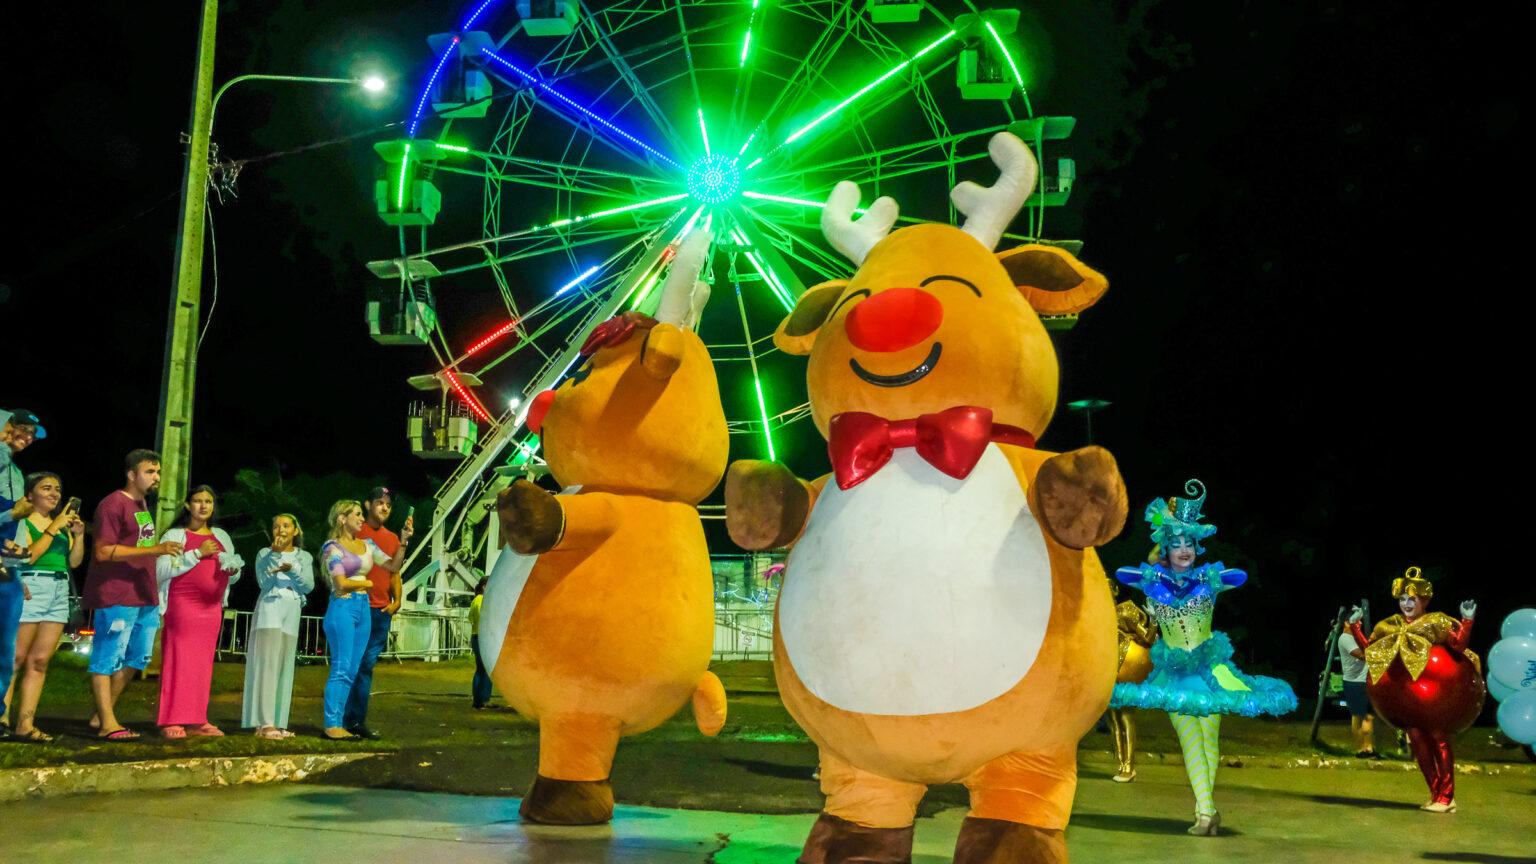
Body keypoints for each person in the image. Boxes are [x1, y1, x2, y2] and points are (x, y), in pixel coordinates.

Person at [1110, 480, 1297, 836]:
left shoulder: (1208, 580)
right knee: (1189, 739)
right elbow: (1122, 574)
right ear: (1166, 548)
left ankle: (1204, 811)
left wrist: (1207, 576)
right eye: (1175, 544)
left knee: (1209, 740)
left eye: (1189, 543)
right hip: (1175, 675)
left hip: (1209, 671)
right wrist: (1159, 551)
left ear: (1197, 548)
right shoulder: (1153, 581)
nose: (1183, 549)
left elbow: (1238, 576)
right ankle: (1206, 811)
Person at [1348, 569, 1481, 813]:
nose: (1407, 604)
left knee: (1438, 738)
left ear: (1424, 601)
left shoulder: (1436, 622)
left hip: (1438, 699)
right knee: (1418, 741)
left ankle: (1447, 796)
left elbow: (1459, 645)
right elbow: (1372, 650)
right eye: (1402, 599)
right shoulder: (1390, 625)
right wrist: (1356, 626)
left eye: (1412, 599)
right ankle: (1436, 794)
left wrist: (1467, 621)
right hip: (1409, 703)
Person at [3, 473, 86, 741]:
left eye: (58, 489)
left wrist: (78, 536)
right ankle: (2, 719)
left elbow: (74, 562)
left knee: (39, 662)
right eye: (46, 488)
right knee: (14, 659)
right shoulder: (23, 522)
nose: (54, 494)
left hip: (59, 590)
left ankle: (25, 725)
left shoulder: (60, 525)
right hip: (31, 587)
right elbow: (29, 556)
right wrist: (52, 529)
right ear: (30, 495)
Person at [154, 486, 243, 738]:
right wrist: (197, 553)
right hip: (182, 604)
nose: (203, 506)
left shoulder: (222, 536)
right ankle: (171, 719)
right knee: (178, 660)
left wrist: (233, 572)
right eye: (197, 501)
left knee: (202, 665)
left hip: (211, 609)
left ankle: (197, 719)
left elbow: (234, 571)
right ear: (187, 505)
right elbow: (161, 571)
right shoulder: (175, 534)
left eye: (208, 501)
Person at [319, 500, 404, 740]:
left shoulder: (367, 545)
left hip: (362, 608)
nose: (361, 518)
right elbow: (340, 583)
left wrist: (404, 541)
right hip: (342, 607)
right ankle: (332, 723)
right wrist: (365, 583)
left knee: (353, 668)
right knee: (341, 666)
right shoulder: (332, 547)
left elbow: (393, 565)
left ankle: (343, 722)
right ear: (341, 518)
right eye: (356, 514)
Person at [346, 487, 412, 738]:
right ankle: (341, 719)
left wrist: (397, 600)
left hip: (380, 611)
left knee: (366, 666)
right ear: (367, 505)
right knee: (350, 664)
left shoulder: (393, 538)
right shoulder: (355, 532)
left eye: (388, 504)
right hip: (357, 605)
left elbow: (394, 572)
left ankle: (356, 721)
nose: (384, 508)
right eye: (379, 503)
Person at [242, 513, 314, 738]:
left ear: (295, 530)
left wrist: (290, 569)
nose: (280, 530)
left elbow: (308, 585)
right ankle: (264, 723)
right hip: (270, 610)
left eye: (285, 526)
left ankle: (279, 721)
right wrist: (275, 555)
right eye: (276, 526)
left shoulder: (304, 556)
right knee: (267, 664)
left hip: (292, 610)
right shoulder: (264, 553)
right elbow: (264, 582)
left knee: (284, 666)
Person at [0, 409, 41, 739]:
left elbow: (15, 525)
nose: (25, 437)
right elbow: (11, 514)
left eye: (30, 433)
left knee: (4, 652)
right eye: (21, 429)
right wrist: (11, 512)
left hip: (8, 573)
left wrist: (20, 559)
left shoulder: (14, 470)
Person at [1109, 580, 1157, 782]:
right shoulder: (1097, 615)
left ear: (1116, 590)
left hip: (1127, 672)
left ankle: (1129, 766)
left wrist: (1153, 620)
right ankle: (1121, 765)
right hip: (1108, 672)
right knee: (1113, 719)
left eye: (1108, 587)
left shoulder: (1126, 610)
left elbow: (1147, 639)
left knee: (1126, 715)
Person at [1336, 626, 1377, 757]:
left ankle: (1369, 749)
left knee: (1369, 716)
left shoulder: (1356, 638)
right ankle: (1360, 749)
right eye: (1356, 621)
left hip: (1365, 681)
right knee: (1358, 716)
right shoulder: (1345, 638)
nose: (1359, 624)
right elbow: (1361, 655)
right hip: (1354, 683)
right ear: (1347, 622)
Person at [469, 577, 491, 709]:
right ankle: (482, 700)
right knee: (485, 670)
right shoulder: (481, 601)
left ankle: (479, 700)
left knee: (481, 669)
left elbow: (471, 618)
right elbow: (484, 618)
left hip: (476, 635)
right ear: (484, 586)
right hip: (483, 637)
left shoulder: (475, 600)